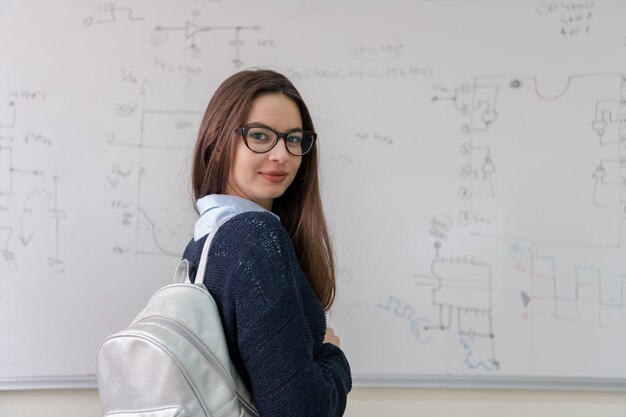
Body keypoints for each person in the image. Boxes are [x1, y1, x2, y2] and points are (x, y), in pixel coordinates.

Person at [182, 69, 352, 417]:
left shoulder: (204, 241)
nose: (282, 155)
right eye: (260, 136)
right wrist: (332, 355)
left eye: (294, 139)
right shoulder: (254, 238)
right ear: (217, 141)